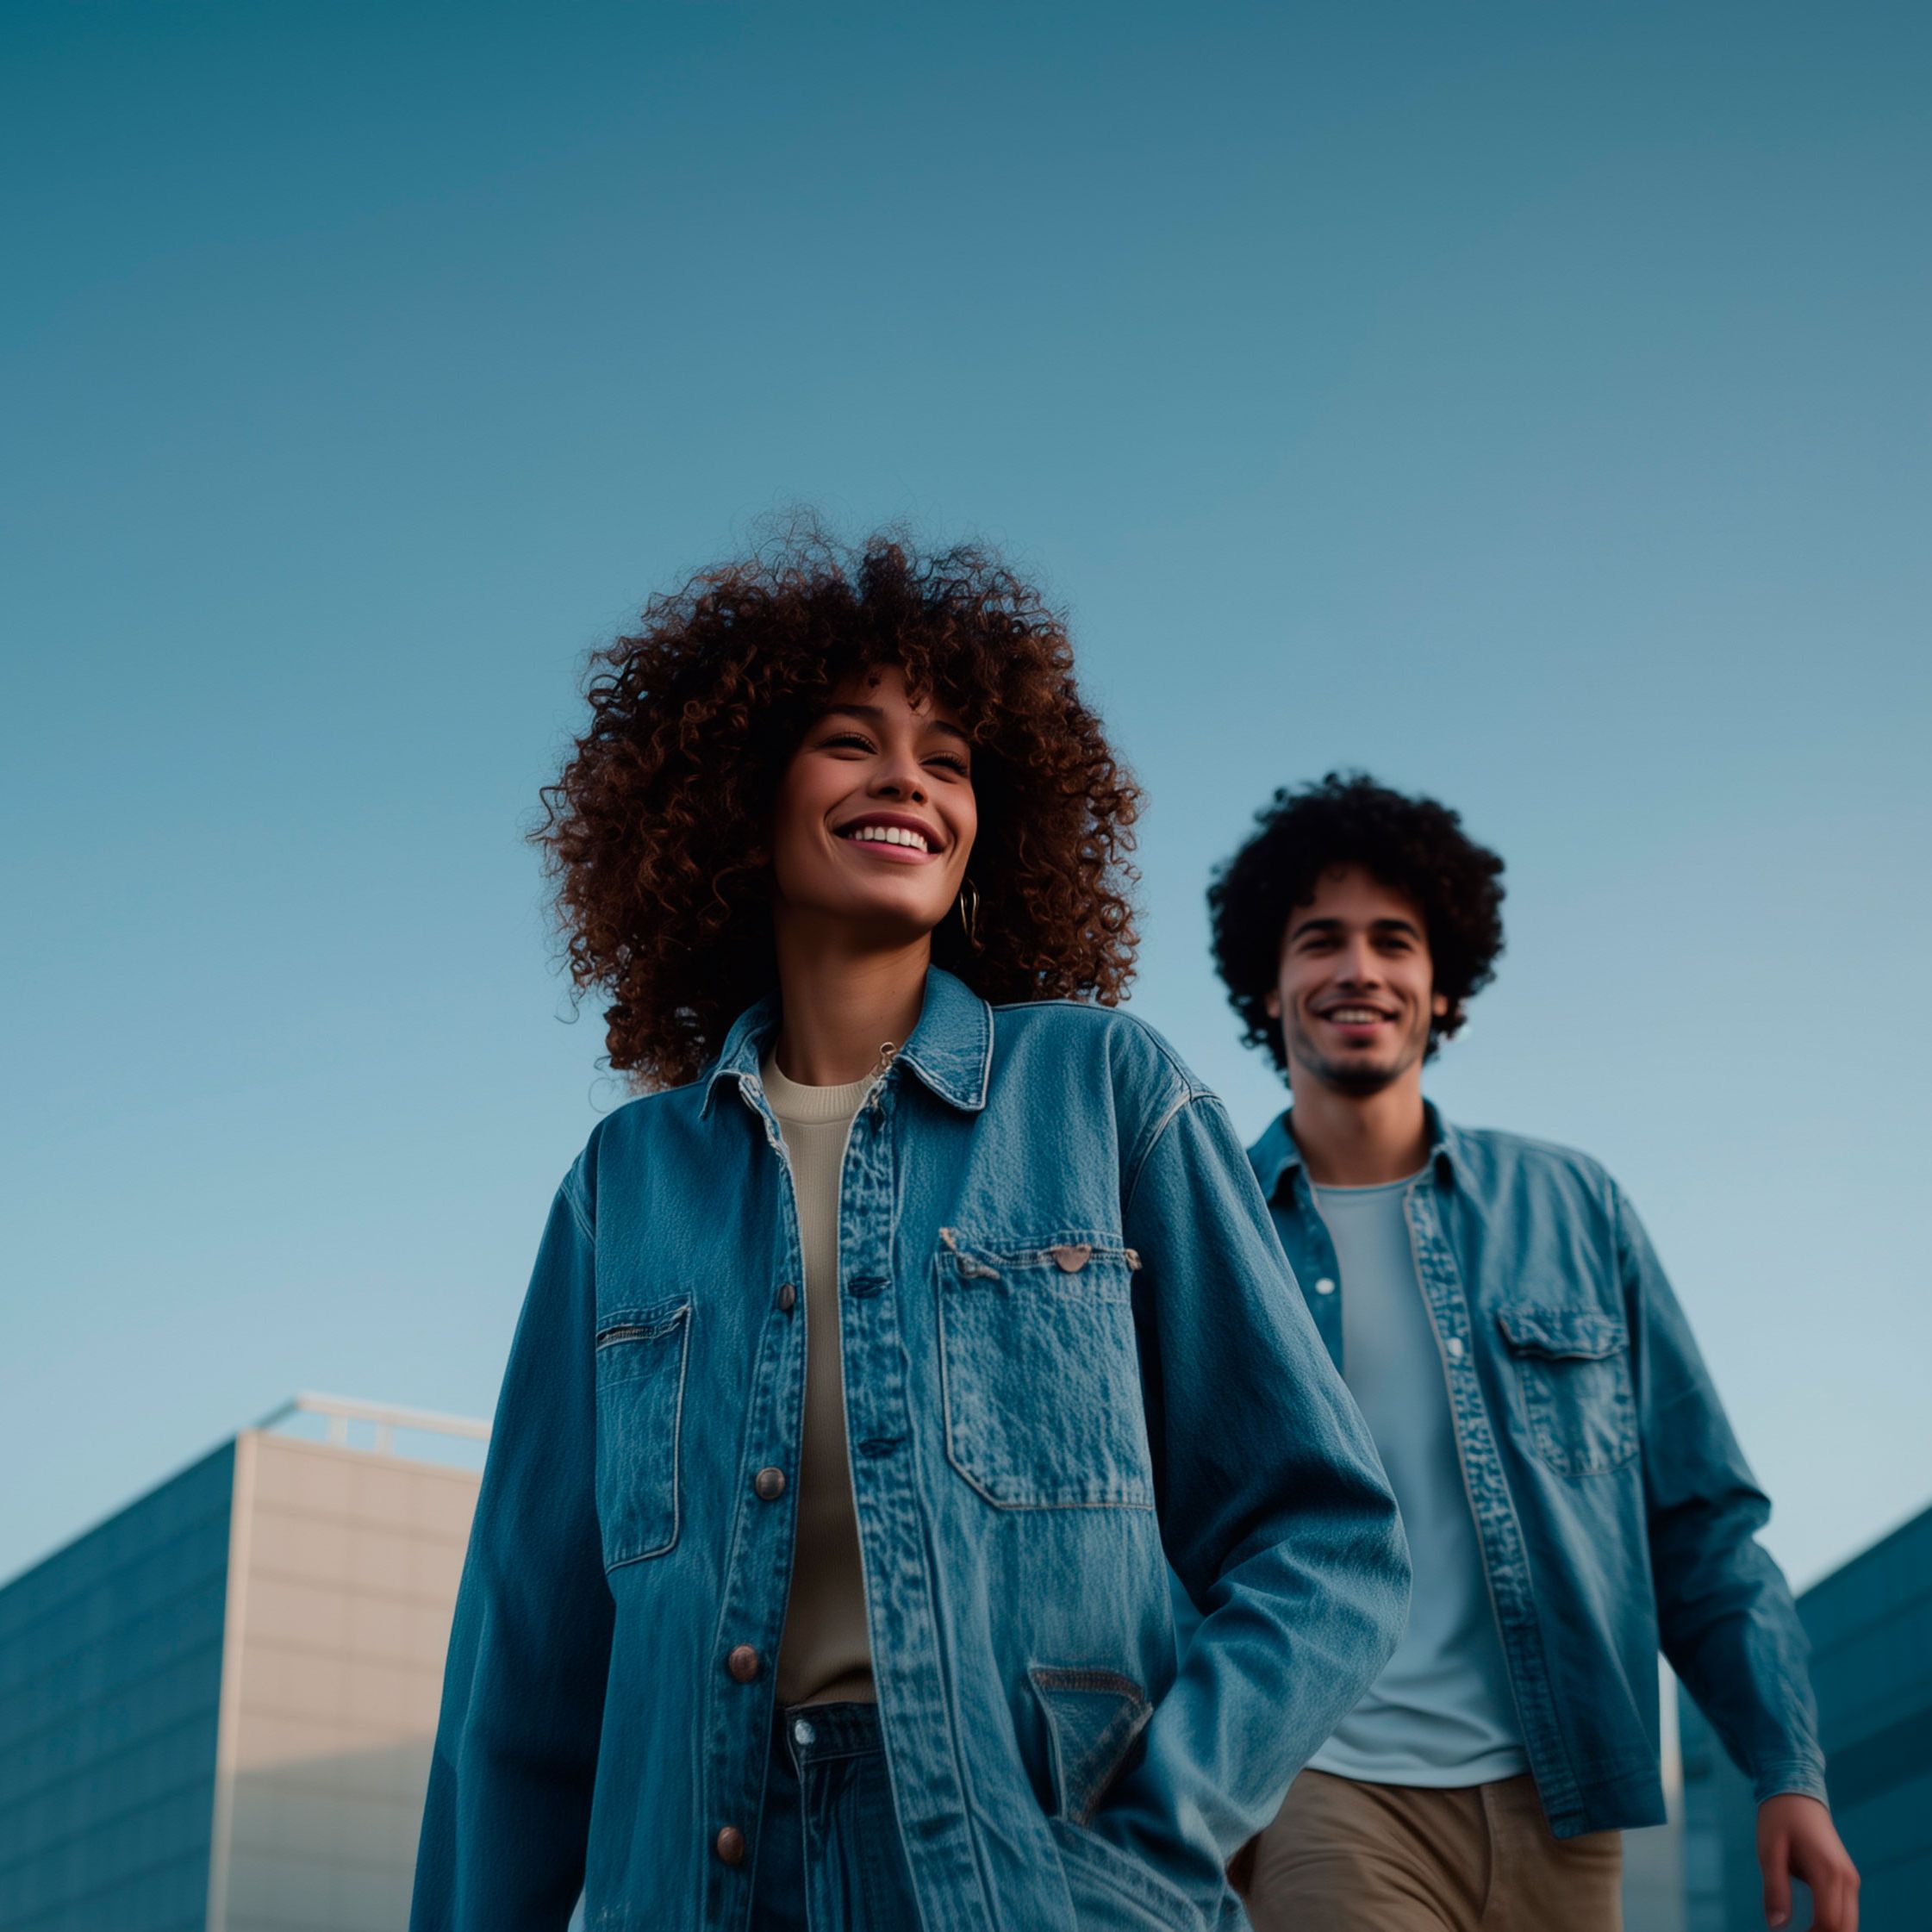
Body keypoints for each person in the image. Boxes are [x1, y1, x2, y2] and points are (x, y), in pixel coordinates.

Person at [409, 535, 1410, 1932]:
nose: (908, 781)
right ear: (735, 800)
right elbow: (521, 1680)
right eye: (848, 742)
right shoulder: (621, 1185)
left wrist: (1152, 1838)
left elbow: (1327, 1537)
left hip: (1024, 1882)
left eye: (948, 759)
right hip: (694, 1884)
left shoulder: (1101, 1092)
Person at [1209, 773, 1860, 1932]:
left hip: (1564, 1798)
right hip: (1314, 1783)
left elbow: (1699, 1523)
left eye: (1392, 940)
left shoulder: (1572, 1207)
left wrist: (1784, 1768)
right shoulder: (1209, 1224)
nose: (1357, 966)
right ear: (1268, 985)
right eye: (1319, 940)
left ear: (1441, 983)